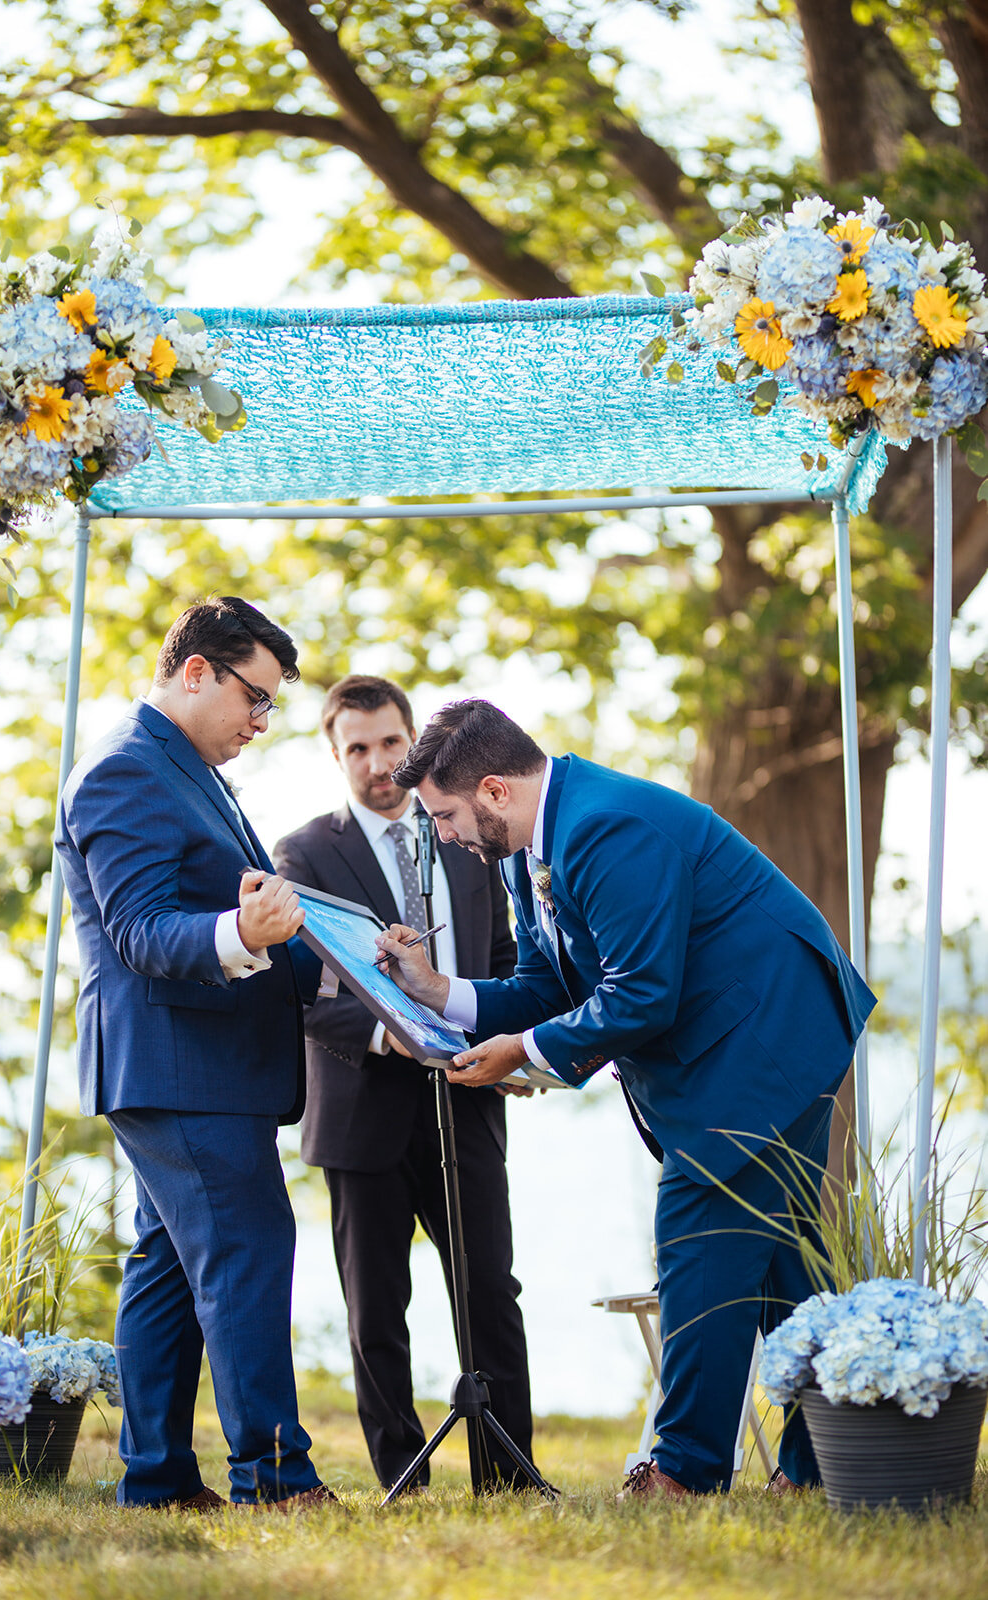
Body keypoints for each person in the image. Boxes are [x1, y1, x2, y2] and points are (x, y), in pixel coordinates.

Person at [376, 698, 877, 1501]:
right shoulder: (521, 851)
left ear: (495, 790)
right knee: (781, 1254)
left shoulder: (606, 826)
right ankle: (824, 1462)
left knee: (698, 1226)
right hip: (736, 1035)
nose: (442, 835)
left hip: (768, 1026)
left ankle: (683, 1469)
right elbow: (547, 986)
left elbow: (640, 994)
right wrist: (441, 994)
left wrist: (528, 1053)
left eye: (443, 815)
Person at [55, 596, 337, 1512]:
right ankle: (273, 1475)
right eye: (253, 698)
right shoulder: (123, 771)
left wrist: (344, 957)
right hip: (179, 1063)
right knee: (250, 1248)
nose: (261, 722)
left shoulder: (187, 769)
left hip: (199, 1061)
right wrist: (240, 931)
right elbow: (140, 930)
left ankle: (158, 1479)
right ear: (193, 673)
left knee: (170, 1269)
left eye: (271, 705)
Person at [272, 675, 536, 1491]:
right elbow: (304, 1002)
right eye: (357, 748)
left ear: (410, 738)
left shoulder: (466, 832)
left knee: (488, 1289)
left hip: (468, 1097)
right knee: (376, 1310)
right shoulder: (302, 853)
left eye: (389, 742)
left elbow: (502, 962)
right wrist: (395, 1040)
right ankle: (402, 1475)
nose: (377, 761)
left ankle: (509, 1474)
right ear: (335, 755)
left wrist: (503, 1048)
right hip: (361, 1110)